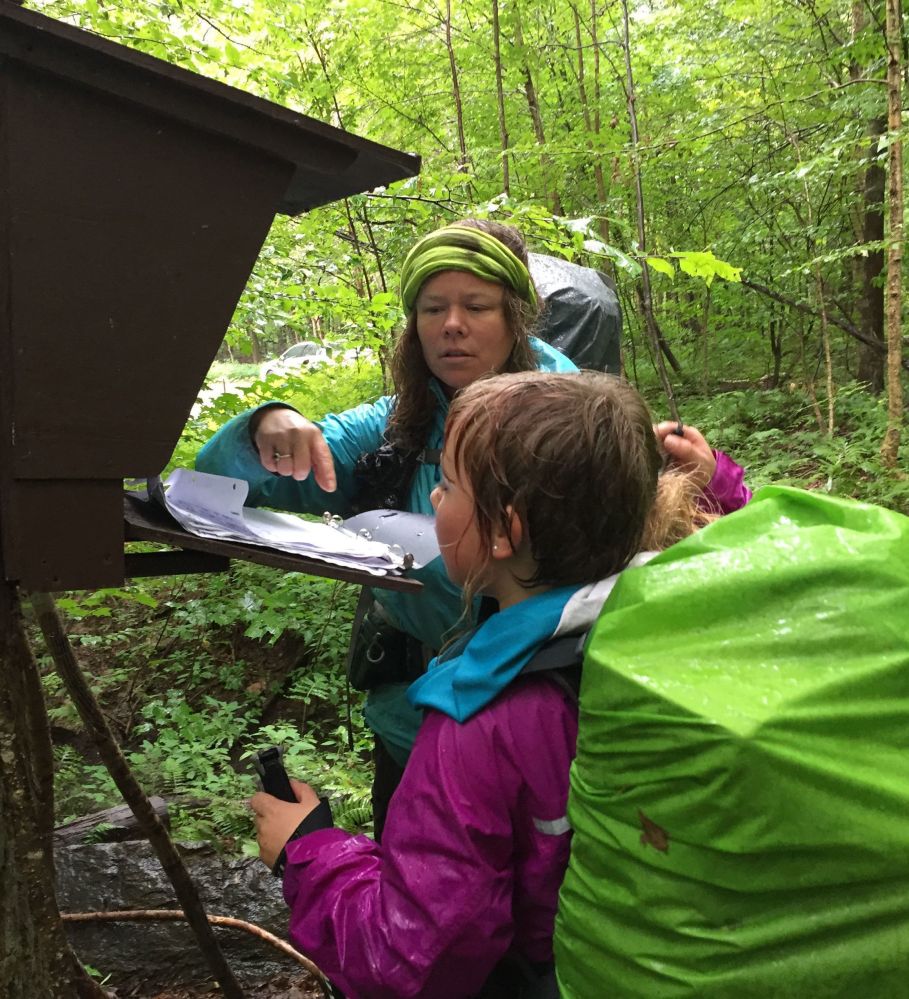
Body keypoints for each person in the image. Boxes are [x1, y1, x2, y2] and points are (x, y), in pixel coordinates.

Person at [197, 219, 750, 834]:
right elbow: (221, 484)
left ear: (516, 316)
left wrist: (711, 479)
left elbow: (689, 543)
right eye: (433, 307)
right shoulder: (391, 431)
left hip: (556, 729)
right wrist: (265, 427)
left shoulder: (581, 425)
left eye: (476, 305)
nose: (451, 324)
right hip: (415, 723)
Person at [250, 370, 719, 998]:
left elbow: (416, 958)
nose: (434, 502)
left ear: (506, 531)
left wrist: (308, 849)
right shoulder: (680, 621)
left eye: (446, 485)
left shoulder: (480, 722)